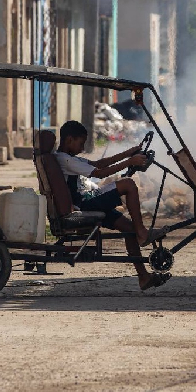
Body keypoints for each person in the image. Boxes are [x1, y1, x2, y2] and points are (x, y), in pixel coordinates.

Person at [54, 120, 169, 290]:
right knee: (128, 184)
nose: (82, 148)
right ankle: (142, 233)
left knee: (129, 228)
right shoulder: (65, 160)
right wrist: (130, 162)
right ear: (69, 140)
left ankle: (143, 277)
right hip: (84, 203)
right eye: (81, 143)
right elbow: (100, 173)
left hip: (87, 200)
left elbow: (99, 164)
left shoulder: (68, 158)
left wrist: (129, 154)